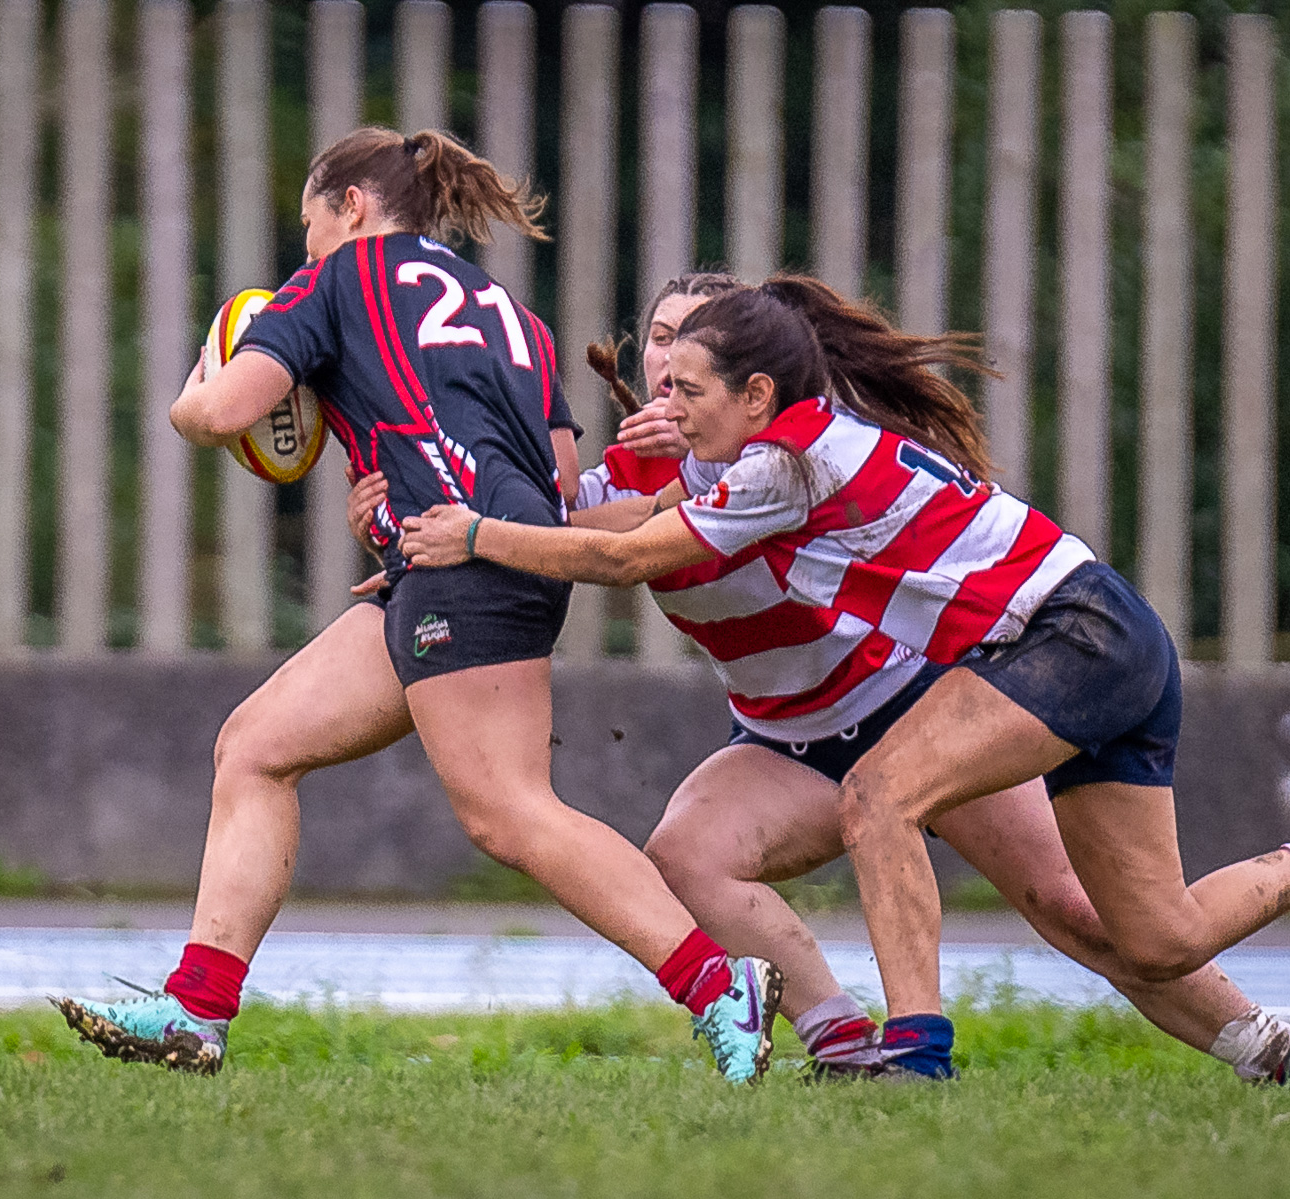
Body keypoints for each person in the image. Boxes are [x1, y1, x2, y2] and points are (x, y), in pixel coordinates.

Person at [399, 276, 1290, 1081]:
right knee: (1156, 934)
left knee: (892, 802)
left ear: (756, 385)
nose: (666, 388)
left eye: (689, 371)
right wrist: (429, 528)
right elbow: (589, 516)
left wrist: (478, 533)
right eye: (659, 357)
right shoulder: (730, 450)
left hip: (1059, 640)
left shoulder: (782, 461)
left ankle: (916, 1057)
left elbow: (629, 549)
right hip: (1061, 644)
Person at [54, 129, 783, 1084]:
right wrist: (391, 496)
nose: (303, 251)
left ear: (351, 207)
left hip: (465, 567)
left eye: (310, 226)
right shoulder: (512, 314)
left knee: (511, 814)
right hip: (475, 558)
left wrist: (192, 393)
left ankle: (718, 986)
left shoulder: (332, 285)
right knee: (256, 745)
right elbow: (557, 475)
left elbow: (228, 412)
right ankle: (195, 1010)